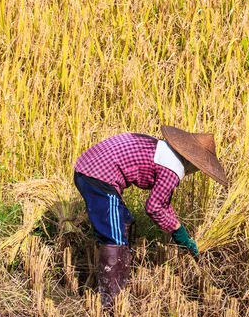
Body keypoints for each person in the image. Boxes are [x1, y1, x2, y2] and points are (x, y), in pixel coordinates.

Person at [74, 125, 228, 307]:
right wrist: (180, 234)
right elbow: (154, 207)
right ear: (192, 162)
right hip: (98, 176)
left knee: (125, 221)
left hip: (89, 168)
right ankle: (110, 302)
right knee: (115, 236)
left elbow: (162, 203)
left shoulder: (164, 150)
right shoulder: (173, 168)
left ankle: (121, 278)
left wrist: (179, 232)